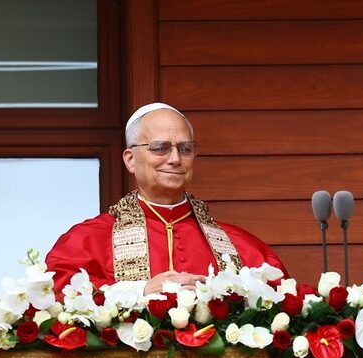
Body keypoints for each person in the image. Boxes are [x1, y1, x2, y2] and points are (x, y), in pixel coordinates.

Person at [46, 103, 288, 293]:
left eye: (185, 149)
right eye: (160, 148)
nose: (174, 159)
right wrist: (140, 291)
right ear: (130, 159)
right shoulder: (89, 238)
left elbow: (286, 296)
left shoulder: (241, 246)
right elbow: (56, 290)